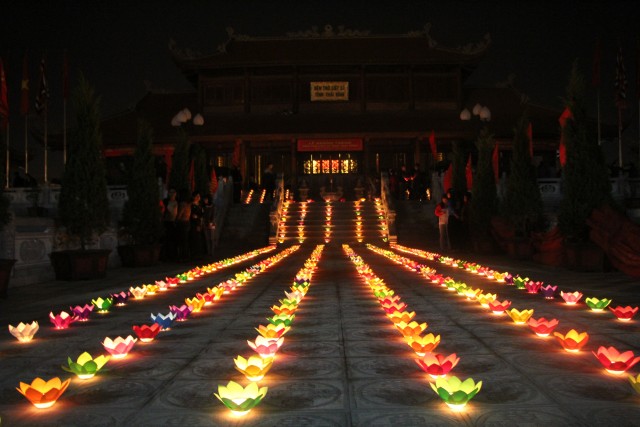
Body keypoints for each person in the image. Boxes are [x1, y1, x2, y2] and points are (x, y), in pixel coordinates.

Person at [161, 188, 178, 261]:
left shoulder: (176, 202)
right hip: (167, 221)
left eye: (173, 192)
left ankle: (172, 255)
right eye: (170, 192)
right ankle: (167, 255)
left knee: (172, 240)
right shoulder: (166, 202)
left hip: (172, 222)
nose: (172, 194)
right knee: (167, 239)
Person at [175, 190, 192, 261]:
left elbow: (180, 214)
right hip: (187, 222)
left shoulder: (183, 204)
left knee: (182, 240)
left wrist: (176, 220)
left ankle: (182, 256)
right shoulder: (188, 204)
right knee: (185, 240)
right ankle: (186, 255)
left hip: (182, 223)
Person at [189, 191, 204, 259]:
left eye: (199, 196)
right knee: (194, 237)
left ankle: (198, 253)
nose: (198, 198)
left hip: (199, 222)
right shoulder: (192, 205)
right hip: (193, 223)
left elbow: (202, 214)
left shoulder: (200, 205)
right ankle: (193, 253)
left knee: (199, 238)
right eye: (197, 196)